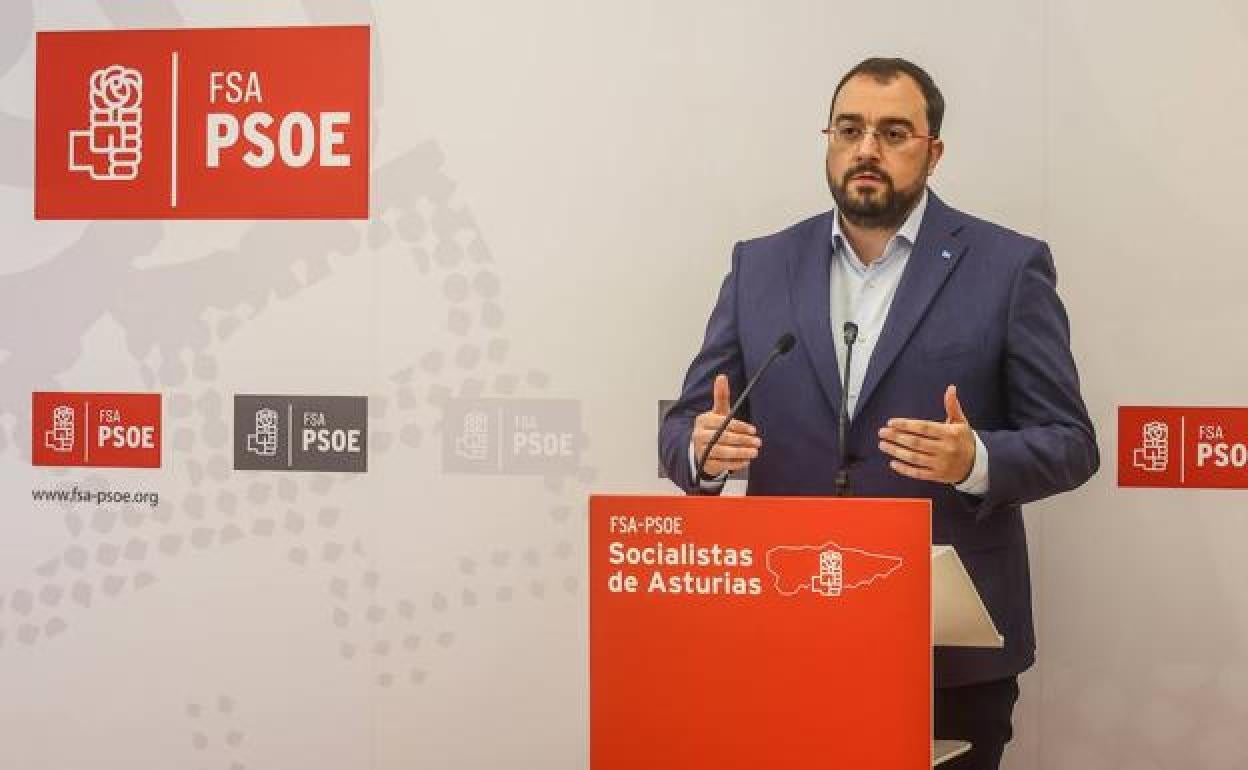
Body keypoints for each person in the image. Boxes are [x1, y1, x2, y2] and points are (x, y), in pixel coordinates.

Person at [658, 57, 1099, 770]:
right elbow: (682, 426)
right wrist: (699, 450)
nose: (867, 148)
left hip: (946, 651)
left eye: (894, 132)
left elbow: (1071, 442)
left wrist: (977, 460)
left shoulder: (1007, 267)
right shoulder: (762, 265)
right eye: (850, 128)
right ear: (828, 140)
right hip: (789, 628)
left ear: (933, 152)